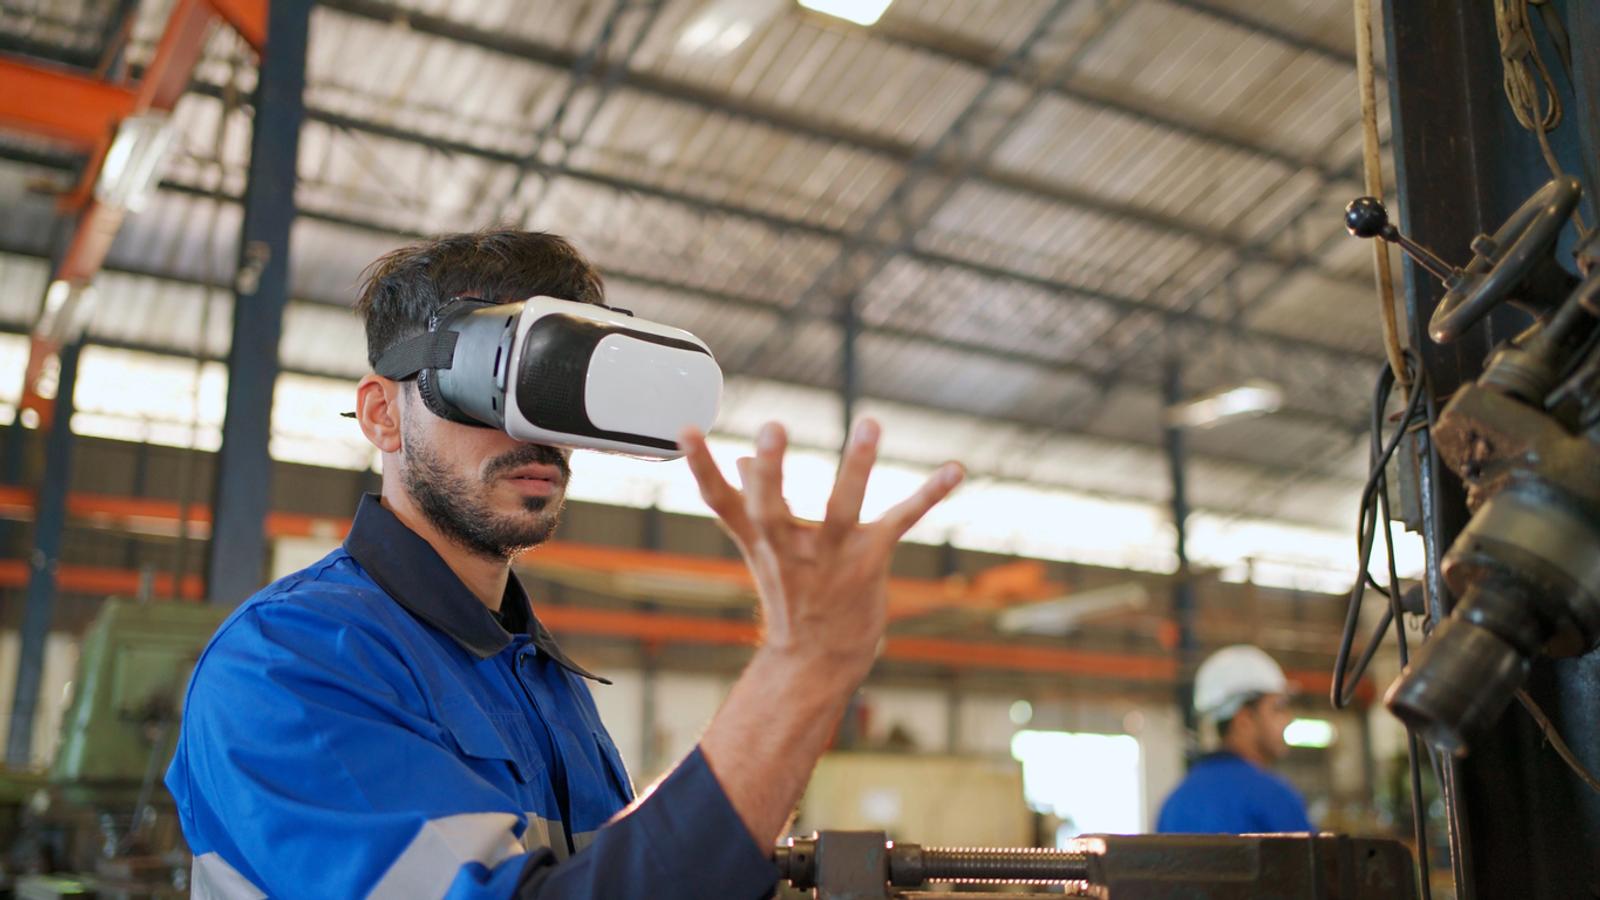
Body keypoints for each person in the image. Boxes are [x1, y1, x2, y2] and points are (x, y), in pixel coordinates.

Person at [164, 229, 965, 898]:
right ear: (382, 414)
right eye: (492, 384)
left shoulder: (541, 680)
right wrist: (802, 670)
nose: (536, 434)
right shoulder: (288, 665)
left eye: (558, 387)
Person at [1155, 645, 1312, 834]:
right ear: (1244, 720)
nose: (1287, 719)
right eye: (1277, 708)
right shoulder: (1272, 796)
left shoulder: (1174, 803)